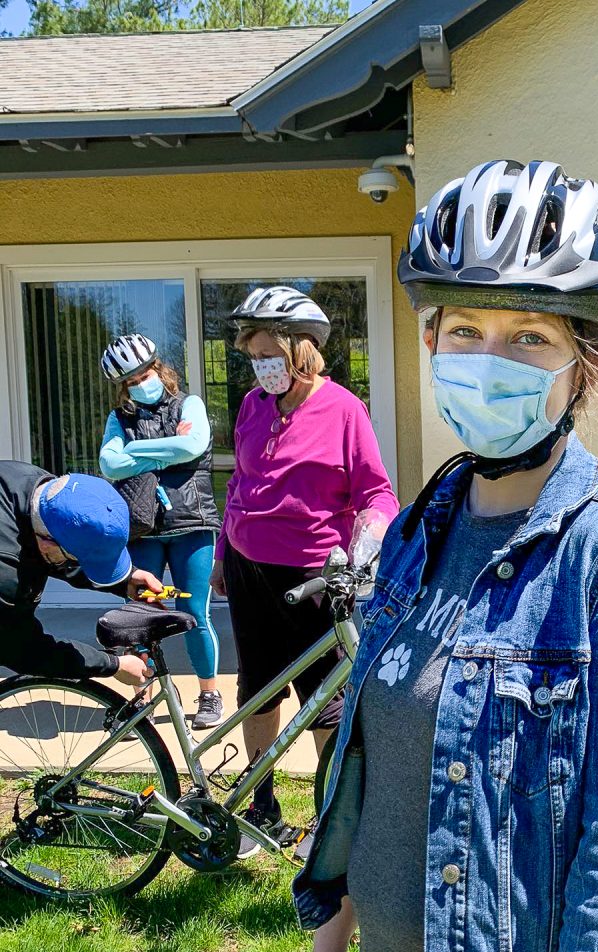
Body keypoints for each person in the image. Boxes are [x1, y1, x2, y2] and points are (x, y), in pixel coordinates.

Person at [293, 160, 598, 952]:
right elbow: (367, 776)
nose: (489, 361)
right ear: (432, 339)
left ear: (585, 366)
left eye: (530, 337)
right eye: (467, 329)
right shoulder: (417, 533)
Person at [211, 286, 399, 857]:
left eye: (268, 352)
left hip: (314, 580)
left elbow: (378, 493)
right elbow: (239, 486)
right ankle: (260, 805)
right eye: (252, 355)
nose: (259, 365)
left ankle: (328, 816)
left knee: (324, 699)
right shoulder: (251, 405)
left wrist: (368, 542)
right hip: (248, 571)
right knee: (257, 689)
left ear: (300, 350)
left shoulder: (344, 408)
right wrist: (223, 553)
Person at [98, 334, 223, 726]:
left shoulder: (189, 404)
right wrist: (160, 452)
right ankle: (143, 699)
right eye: (131, 380)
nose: (139, 382)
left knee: (194, 613)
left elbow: (193, 445)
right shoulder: (120, 418)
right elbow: (109, 464)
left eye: (143, 373)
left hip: (192, 525)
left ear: (158, 368)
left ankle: (209, 695)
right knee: (142, 615)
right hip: (144, 528)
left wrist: (134, 451)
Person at [0, 462, 163, 685]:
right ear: (48, 541)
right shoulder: (7, 573)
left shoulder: (45, 493)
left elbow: (59, 551)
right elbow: (22, 649)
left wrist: (125, 579)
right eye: (74, 557)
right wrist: (112, 664)